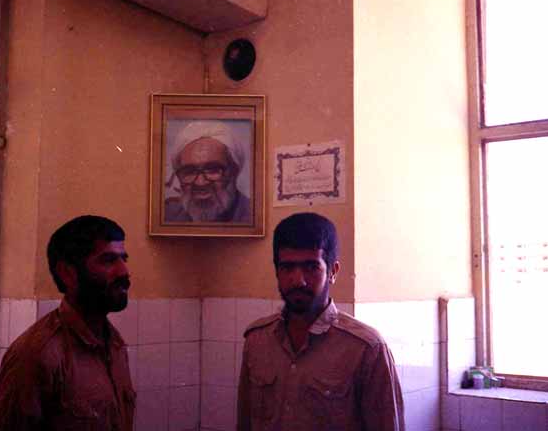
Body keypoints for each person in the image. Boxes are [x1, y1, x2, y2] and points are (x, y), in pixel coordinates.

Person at [237, 212, 405, 431]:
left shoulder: (366, 349)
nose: (298, 280)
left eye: (311, 267)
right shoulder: (257, 340)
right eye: (287, 268)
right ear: (277, 271)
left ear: (333, 271)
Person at [0, 215, 135, 431]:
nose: (124, 271)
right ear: (68, 273)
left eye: (123, 259)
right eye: (108, 260)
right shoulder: (36, 355)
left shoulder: (115, 343)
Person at [164, 120, 251, 223]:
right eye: (189, 171)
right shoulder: (168, 216)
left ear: (234, 172)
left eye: (212, 170)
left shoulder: (255, 217)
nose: (200, 182)